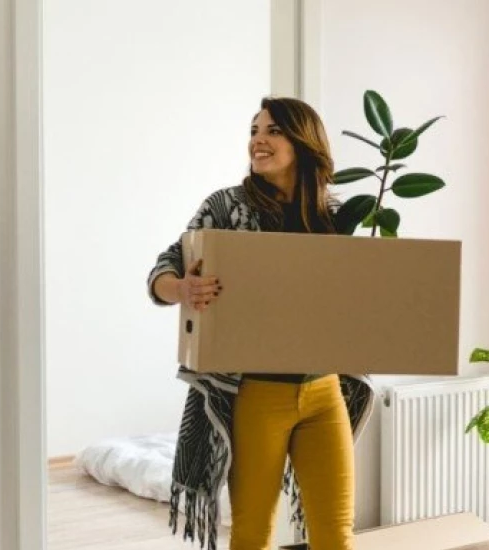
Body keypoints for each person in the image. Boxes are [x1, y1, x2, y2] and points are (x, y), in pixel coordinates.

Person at [146, 96, 376, 550]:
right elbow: (164, 269)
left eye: (272, 131)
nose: (258, 140)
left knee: (336, 535)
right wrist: (183, 290)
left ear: (303, 141)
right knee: (252, 535)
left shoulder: (333, 216)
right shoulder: (225, 207)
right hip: (257, 395)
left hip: (325, 390)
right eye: (254, 131)